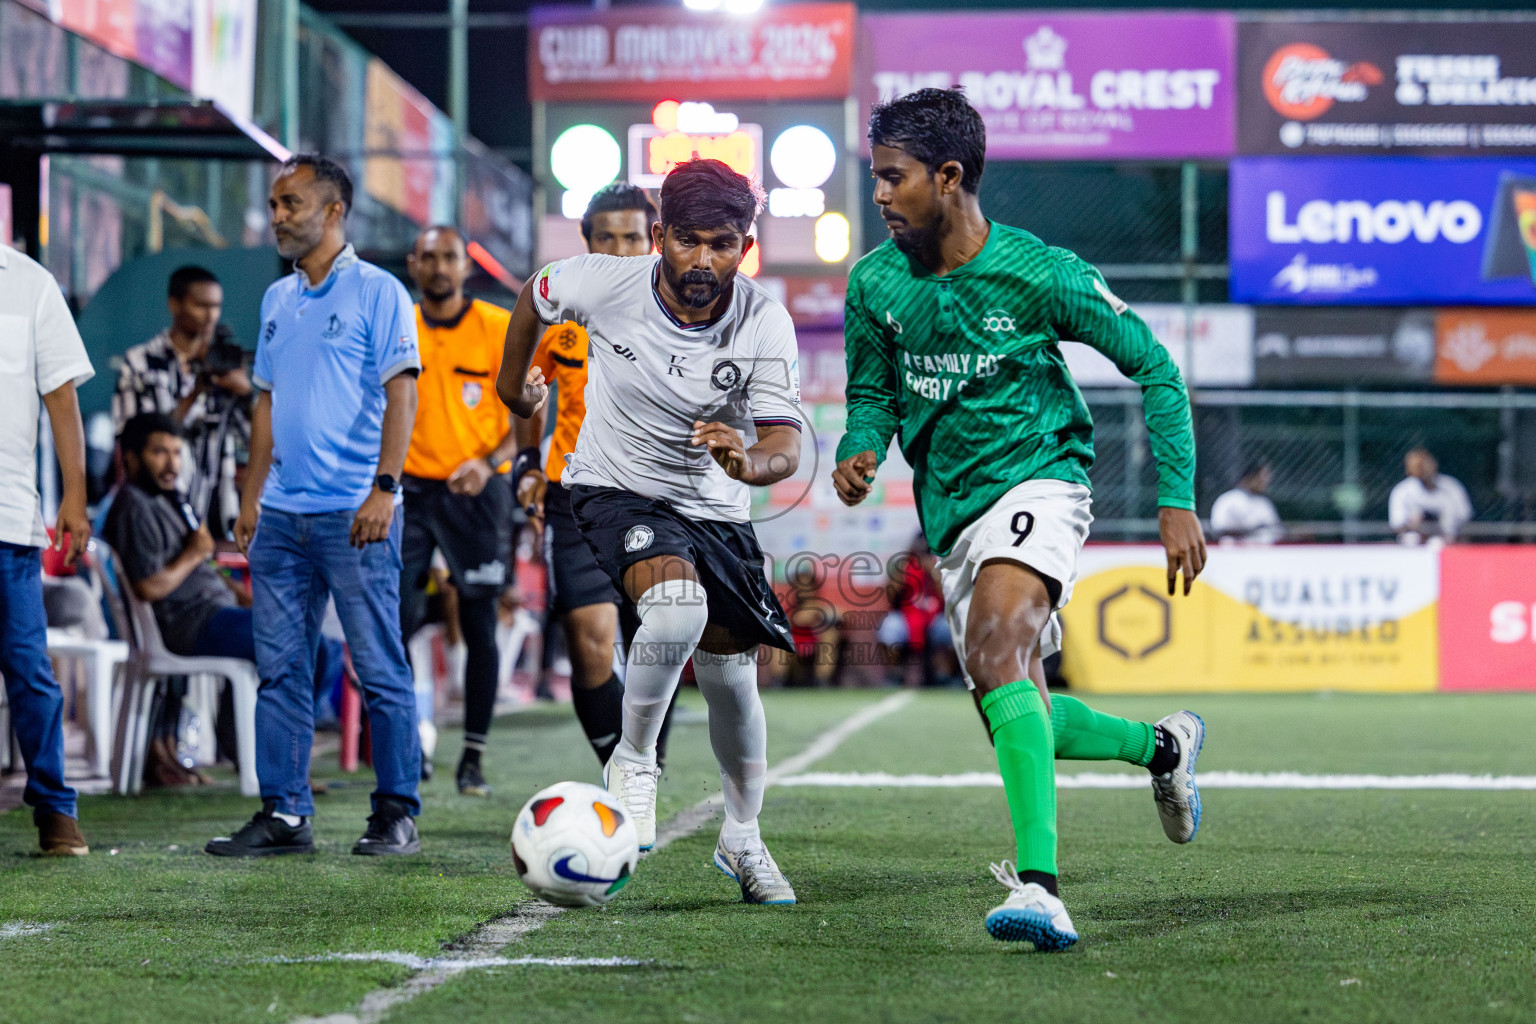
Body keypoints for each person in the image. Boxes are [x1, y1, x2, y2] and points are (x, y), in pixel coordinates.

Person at [832, 89, 1207, 950]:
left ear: (950, 176)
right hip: (954, 516)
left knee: (1001, 647)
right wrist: (861, 446)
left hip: (1041, 483)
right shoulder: (875, 283)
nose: (880, 195)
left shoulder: (1041, 273)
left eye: (894, 179)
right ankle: (1163, 747)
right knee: (1015, 697)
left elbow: (1156, 367)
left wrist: (1177, 496)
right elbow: (871, 394)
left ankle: (1040, 887)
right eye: (876, 178)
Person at [498, 159, 802, 904]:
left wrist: (748, 459)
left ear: (746, 243)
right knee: (678, 611)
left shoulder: (763, 320)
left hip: (718, 509)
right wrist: (513, 386)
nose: (704, 261)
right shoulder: (605, 282)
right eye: (689, 242)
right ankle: (633, 764)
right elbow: (535, 295)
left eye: (723, 245)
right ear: (659, 235)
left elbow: (786, 446)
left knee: (733, 677)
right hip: (613, 487)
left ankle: (742, 838)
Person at [206, 154, 428, 858]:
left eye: (290, 203)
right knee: (280, 668)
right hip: (280, 519)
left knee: (378, 665)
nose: (276, 216)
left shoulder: (379, 291)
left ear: (333, 212)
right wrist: (250, 497)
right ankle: (285, 814)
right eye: (274, 203)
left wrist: (384, 489)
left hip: (355, 513)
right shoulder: (278, 300)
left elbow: (404, 394)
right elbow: (264, 404)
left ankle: (395, 811)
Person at [513, 183, 666, 766]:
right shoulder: (557, 308)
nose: (621, 248)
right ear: (587, 243)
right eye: (607, 236)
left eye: (633, 236)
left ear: (652, 240)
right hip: (574, 492)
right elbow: (527, 386)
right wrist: (527, 459)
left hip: (657, 496)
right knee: (590, 645)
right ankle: (621, 769)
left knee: (658, 642)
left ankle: (647, 768)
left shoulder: (681, 309)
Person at [105, 413, 345, 782]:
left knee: (318, 643)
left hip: (214, 613)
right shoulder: (133, 505)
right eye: (158, 453)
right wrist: (194, 552)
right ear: (132, 457)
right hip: (187, 624)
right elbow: (148, 587)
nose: (171, 463)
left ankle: (259, 749)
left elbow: (204, 565)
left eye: (175, 452)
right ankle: (279, 759)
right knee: (310, 645)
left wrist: (241, 594)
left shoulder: (172, 499)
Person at [399, 225, 518, 796]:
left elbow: (527, 417)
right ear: (413, 264)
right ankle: (406, 746)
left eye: (449, 256)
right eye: (429, 257)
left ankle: (472, 757)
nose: (440, 266)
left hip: (477, 492)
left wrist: (489, 461)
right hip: (409, 493)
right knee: (392, 622)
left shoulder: (497, 328)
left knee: (477, 624)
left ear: (465, 266)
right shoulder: (398, 326)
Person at [0, 242, 93, 857]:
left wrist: (75, 500)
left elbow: (62, 398)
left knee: (29, 670)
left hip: (7, 518)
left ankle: (55, 809)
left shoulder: (31, 284)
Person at [112, 265, 252, 534]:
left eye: (216, 306)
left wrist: (245, 394)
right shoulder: (140, 362)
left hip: (217, 513)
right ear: (174, 305)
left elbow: (254, 441)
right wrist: (195, 391)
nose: (210, 315)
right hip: (155, 513)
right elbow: (135, 441)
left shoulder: (224, 364)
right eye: (201, 305)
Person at [1389, 447, 1472, 545]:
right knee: (1412, 538)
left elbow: (1465, 517)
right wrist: (1414, 524)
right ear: (1409, 469)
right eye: (1418, 466)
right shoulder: (1402, 491)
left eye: (1426, 464)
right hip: (1413, 546)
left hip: (1448, 543)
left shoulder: (1451, 487)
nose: (1423, 469)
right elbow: (1397, 524)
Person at [1210, 462, 1283, 545]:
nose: (1266, 481)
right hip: (1234, 552)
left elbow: (1277, 530)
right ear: (1250, 476)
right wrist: (1253, 530)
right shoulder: (1228, 500)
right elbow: (1220, 530)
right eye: (1262, 476)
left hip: (1265, 552)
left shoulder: (1264, 503)